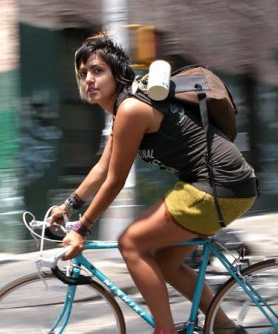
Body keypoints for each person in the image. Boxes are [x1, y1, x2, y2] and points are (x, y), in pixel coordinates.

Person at [50, 34, 258, 334]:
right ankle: (225, 327)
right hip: (223, 186)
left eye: (97, 70)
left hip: (217, 186)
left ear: (117, 73)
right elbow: (102, 167)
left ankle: (164, 330)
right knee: (166, 262)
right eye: (83, 74)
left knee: (130, 243)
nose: (88, 80)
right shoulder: (125, 110)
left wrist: (82, 227)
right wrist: (69, 205)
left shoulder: (132, 109)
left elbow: (115, 181)